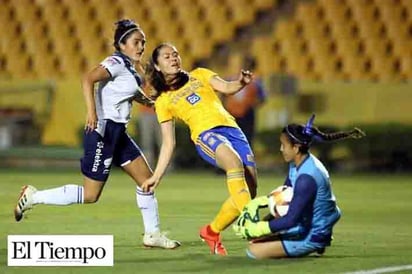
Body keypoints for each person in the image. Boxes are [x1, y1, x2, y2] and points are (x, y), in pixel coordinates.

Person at [13, 19, 180, 249]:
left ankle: (152, 234)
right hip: (103, 131)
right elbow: (87, 79)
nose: (141, 46)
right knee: (91, 195)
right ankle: (33, 196)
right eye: (136, 42)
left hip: (118, 132)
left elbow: (129, 93)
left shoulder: (132, 68)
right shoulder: (116, 62)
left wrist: (150, 101)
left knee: (147, 181)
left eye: (143, 42)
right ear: (122, 44)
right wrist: (92, 113)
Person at [142, 43, 258, 256]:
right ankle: (255, 227)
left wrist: (241, 82)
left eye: (176, 54)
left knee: (250, 189)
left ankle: (211, 232)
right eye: (167, 56)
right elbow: (168, 142)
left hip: (233, 129)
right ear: (157, 66)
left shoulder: (200, 74)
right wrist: (156, 175)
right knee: (233, 163)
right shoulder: (163, 100)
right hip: (206, 135)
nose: (174, 58)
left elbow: (226, 87)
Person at [233, 114, 365, 259]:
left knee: (254, 251)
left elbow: (291, 219)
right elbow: (285, 194)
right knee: (256, 238)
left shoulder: (306, 178)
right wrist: (261, 203)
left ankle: (316, 243)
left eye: (283, 145)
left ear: (296, 148)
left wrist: (258, 228)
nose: (281, 149)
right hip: (309, 218)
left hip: (313, 230)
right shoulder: (298, 164)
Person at [223, 55, 267, 146]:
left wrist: (250, 104)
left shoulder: (255, 81)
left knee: (246, 141)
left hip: (247, 115)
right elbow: (222, 96)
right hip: (231, 115)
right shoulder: (229, 80)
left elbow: (262, 98)